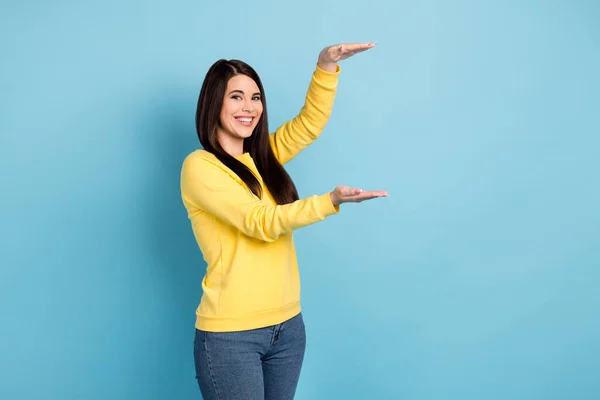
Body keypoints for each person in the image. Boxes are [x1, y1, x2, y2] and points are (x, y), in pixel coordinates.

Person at [180, 42, 388, 399]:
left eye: (256, 97)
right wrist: (330, 201)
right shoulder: (200, 167)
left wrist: (325, 67)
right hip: (233, 336)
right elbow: (260, 222)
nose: (249, 108)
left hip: (288, 327)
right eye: (237, 97)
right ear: (214, 103)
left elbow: (308, 126)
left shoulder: (262, 158)